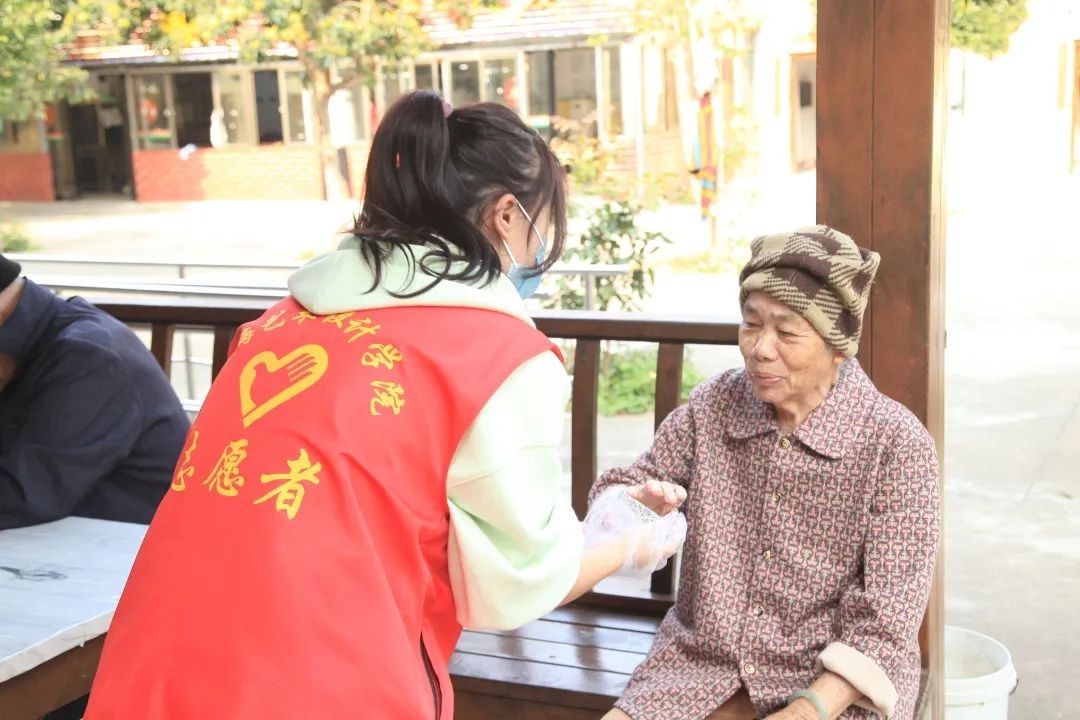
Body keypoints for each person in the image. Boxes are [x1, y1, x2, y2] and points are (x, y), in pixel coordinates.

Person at [84, 90, 681, 720]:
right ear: (508, 215)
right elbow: (516, 583)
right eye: (544, 224)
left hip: (154, 665)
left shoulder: (278, 324)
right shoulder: (501, 356)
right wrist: (626, 542)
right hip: (323, 681)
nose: (543, 248)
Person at [593, 226, 941, 720]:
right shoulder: (713, 406)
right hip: (698, 669)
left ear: (838, 346)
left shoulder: (897, 445)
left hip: (833, 687)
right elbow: (618, 489)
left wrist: (807, 710)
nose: (760, 348)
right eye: (751, 324)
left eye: (787, 332)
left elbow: (887, 618)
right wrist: (634, 506)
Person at [0, 254, 189, 529]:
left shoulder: (88, 357)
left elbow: (22, 497)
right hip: (58, 536)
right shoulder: (36, 335)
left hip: (131, 544)